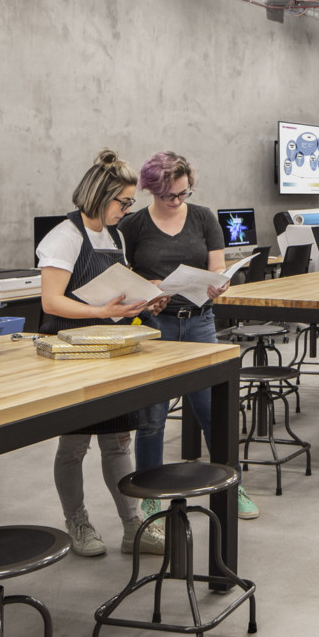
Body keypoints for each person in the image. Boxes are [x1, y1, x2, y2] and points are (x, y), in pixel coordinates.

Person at [36, 149, 166, 557]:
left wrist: (142, 302)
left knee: (118, 443)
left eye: (130, 203)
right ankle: (78, 523)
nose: (126, 211)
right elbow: (51, 302)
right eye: (122, 202)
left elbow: (115, 288)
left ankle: (134, 527)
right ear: (98, 195)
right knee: (74, 445)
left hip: (109, 351)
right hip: (73, 354)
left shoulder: (115, 236)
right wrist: (100, 312)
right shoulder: (63, 238)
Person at [120, 151, 258, 520]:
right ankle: (150, 492)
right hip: (155, 327)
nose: (177, 201)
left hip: (199, 321)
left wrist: (219, 284)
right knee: (152, 417)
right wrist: (145, 287)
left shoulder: (202, 217)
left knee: (212, 410)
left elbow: (217, 268)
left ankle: (233, 484)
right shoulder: (133, 226)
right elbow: (123, 276)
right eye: (170, 196)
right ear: (151, 189)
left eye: (184, 193)